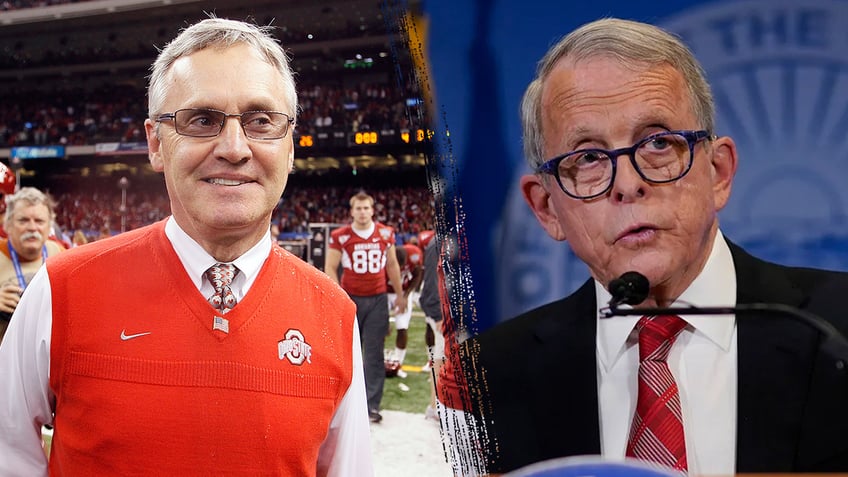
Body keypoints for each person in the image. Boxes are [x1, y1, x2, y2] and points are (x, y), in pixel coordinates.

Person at [438, 17, 848, 476]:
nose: (628, 184)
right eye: (588, 157)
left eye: (657, 143)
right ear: (547, 208)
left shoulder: (836, 333)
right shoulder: (486, 379)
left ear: (718, 172)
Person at [0, 18, 372, 476]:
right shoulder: (62, 290)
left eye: (260, 120)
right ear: (156, 143)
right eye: (201, 120)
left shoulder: (334, 315)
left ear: (290, 146)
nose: (234, 148)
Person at [325, 191, 406, 424]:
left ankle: (372, 406)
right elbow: (330, 266)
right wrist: (338, 296)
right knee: (345, 354)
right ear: (352, 211)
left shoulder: (384, 233)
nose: (362, 212)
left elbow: (392, 264)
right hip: (351, 298)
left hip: (378, 298)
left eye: (366, 208)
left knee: (374, 355)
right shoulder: (341, 235)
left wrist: (399, 295)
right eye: (358, 208)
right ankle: (343, 405)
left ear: (372, 210)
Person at [0, 187, 64, 344]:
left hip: (44, 361)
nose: (32, 227)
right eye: (23, 220)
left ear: (49, 226)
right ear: (7, 225)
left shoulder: (60, 253)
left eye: (39, 221)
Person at [385, 240, 424, 378]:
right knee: (380, 328)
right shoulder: (384, 257)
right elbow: (378, 282)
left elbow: (418, 274)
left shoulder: (414, 254)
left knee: (402, 327)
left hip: (404, 291)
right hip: (385, 292)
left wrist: (406, 295)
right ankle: (378, 363)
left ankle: (398, 363)